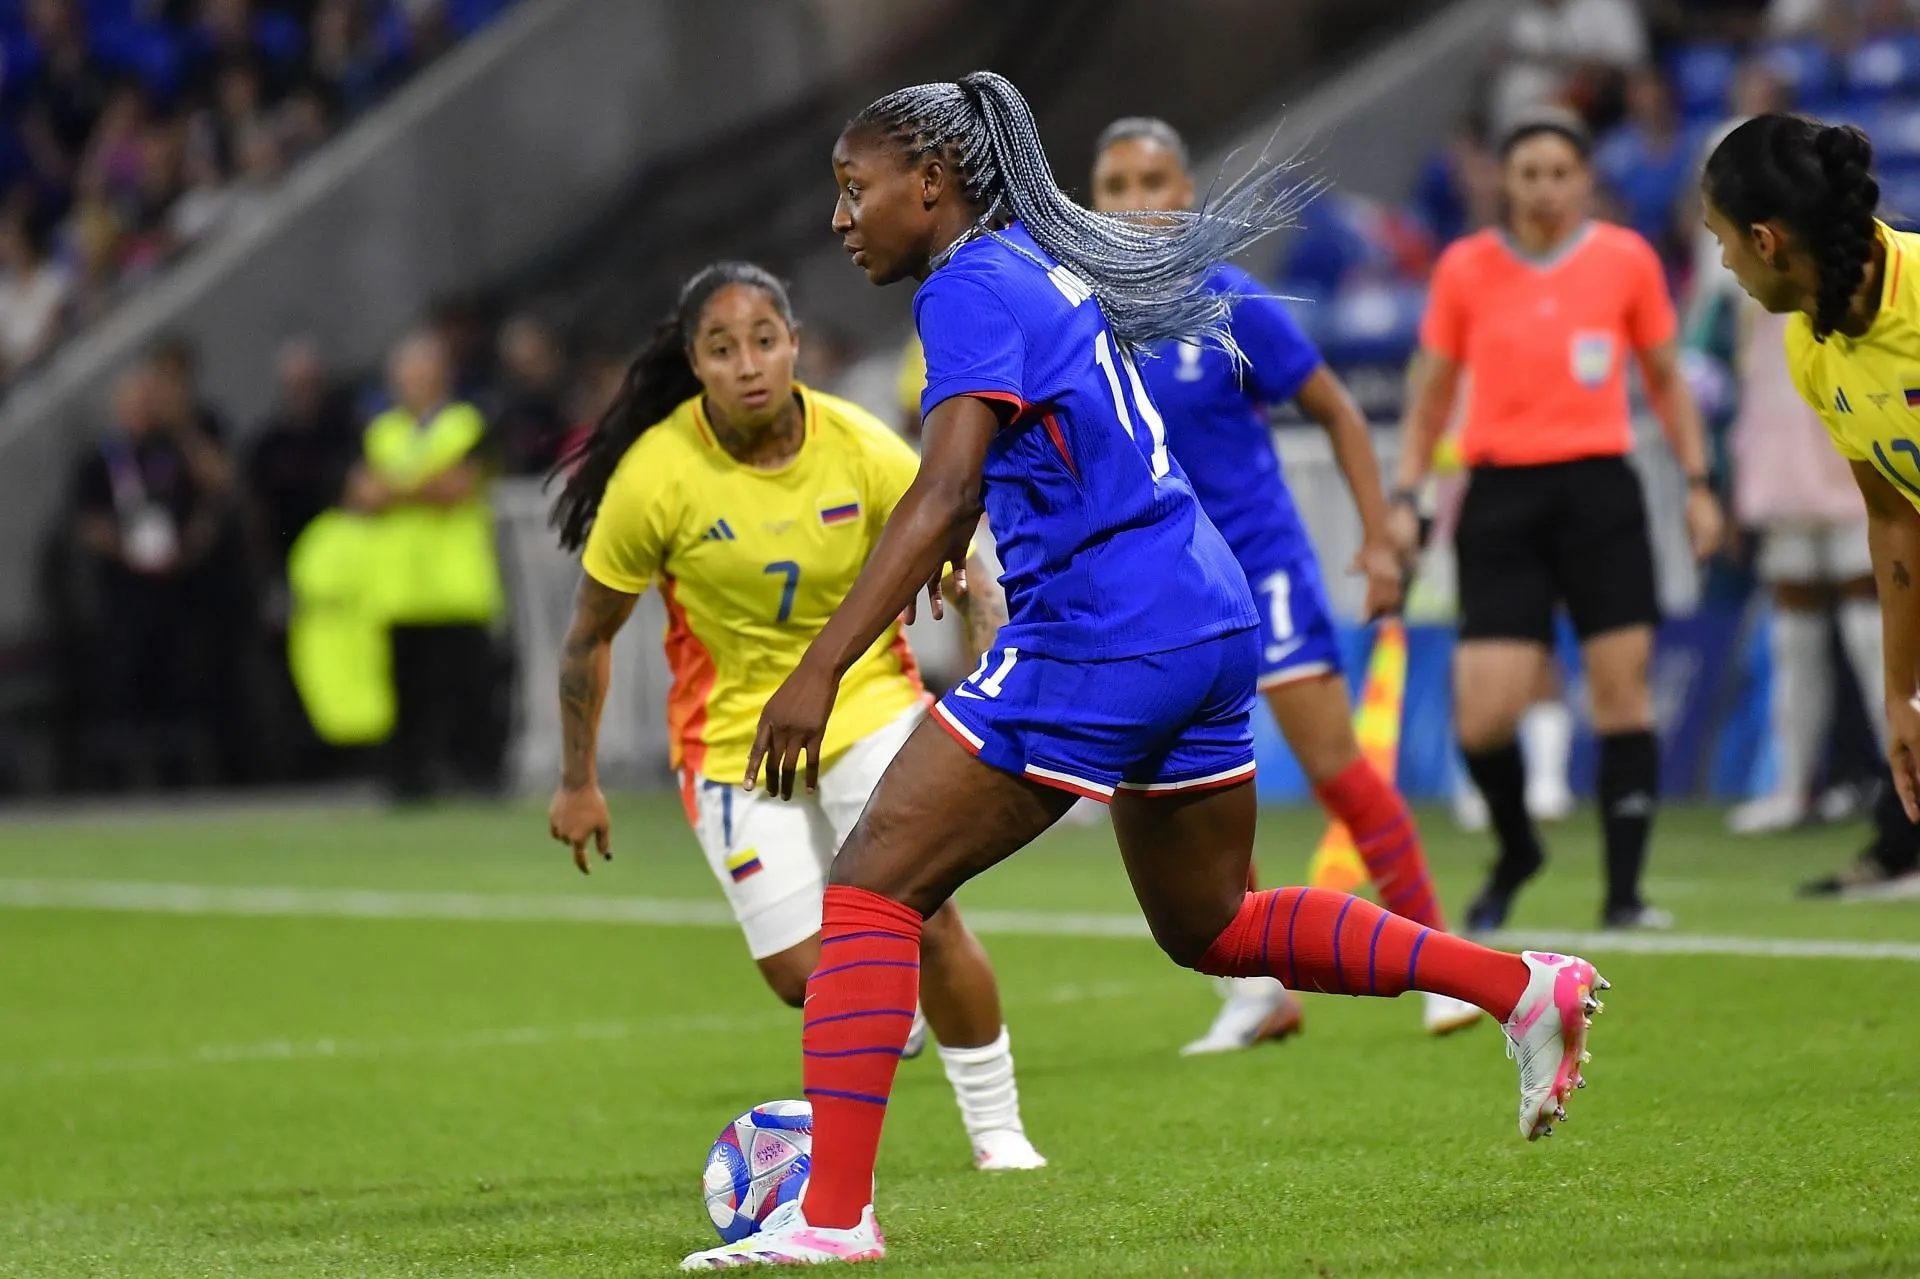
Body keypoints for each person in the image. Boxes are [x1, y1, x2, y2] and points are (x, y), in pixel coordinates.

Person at [679, 71, 1609, 1270]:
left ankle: (833, 1216)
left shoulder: (967, 283)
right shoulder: (1034, 262)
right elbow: (1024, 448)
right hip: (1200, 608)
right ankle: (1518, 985)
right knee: (1214, 923)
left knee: (866, 892)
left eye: (856, 191)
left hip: (1105, 626)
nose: (841, 218)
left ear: (932, 183)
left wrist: (819, 668)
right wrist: (965, 536)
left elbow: (947, 479)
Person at [544, 261, 1046, 1174]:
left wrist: (979, 654)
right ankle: (882, 1011)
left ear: (795, 344)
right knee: (796, 972)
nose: (748, 364)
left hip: (867, 706)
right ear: (694, 363)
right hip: (733, 742)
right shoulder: (656, 476)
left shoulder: (859, 444)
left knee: (925, 917)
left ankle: (1000, 1133)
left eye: (764, 340)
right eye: (722, 348)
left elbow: (963, 550)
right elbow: (587, 638)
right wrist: (578, 779)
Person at [1088, 115, 1480, 1049]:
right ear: (1091, 202)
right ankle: (1259, 987)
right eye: (1117, 186)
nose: (1138, 204)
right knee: (1174, 788)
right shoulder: (1080, 313)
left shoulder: (1227, 298)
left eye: (1155, 182)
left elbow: (1339, 414)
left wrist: (1383, 536)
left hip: (1257, 565)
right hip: (1158, 587)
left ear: (1188, 194)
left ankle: (1441, 962)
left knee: (1334, 762)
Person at [1388, 109, 1723, 935]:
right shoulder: (1466, 268)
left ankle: (1625, 892)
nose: (1543, 186)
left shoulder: (1625, 259)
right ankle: (1516, 849)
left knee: (1621, 694)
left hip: (1600, 493)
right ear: (1506, 181)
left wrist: (1698, 481)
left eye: (1558, 172)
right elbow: (1431, 392)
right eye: (1528, 171)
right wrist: (1405, 496)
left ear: (1584, 180)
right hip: (1499, 496)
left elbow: (1669, 380)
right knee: (1483, 712)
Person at [1699, 112, 1920, 896]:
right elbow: (1895, 517)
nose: (1721, 262)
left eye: (1722, 238)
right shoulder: (1811, 346)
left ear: (1765, 241)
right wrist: (1902, 698)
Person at [346, 330, 505, 799]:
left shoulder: (466, 423)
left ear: (441, 374)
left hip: (456, 583)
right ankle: (410, 778)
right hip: (400, 587)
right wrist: (415, 487)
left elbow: (454, 489)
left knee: (468, 688)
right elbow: (360, 494)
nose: (409, 381)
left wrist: (394, 490)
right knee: (409, 693)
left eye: (418, 372)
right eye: (403, 373)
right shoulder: (382, 430)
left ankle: (478, 774)